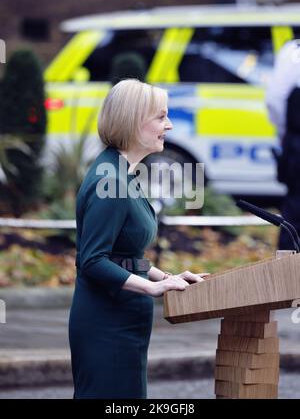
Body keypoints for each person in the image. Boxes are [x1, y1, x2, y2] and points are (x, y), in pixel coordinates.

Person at [68, 79, 209, 399]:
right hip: (107, 323)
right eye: (160, 117)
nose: (169, 125)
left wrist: (167, 277)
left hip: (123, 319)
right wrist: (152, 287)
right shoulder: (110, 178)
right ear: (133, 121)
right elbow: (92, 261)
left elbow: (124, 253)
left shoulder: (122, 171)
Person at [266, 40, 300, 250]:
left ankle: (287, 277)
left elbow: (275, 99)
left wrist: (285, 132)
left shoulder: (293, 52)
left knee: (295, 217)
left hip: (298, 143)